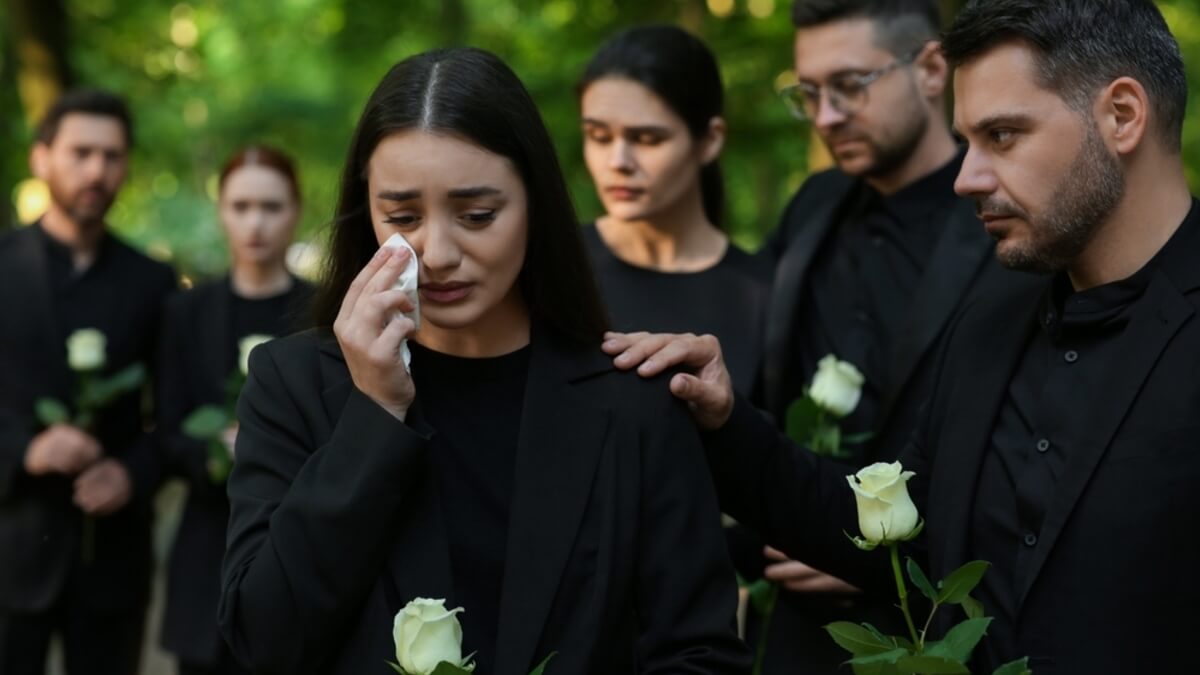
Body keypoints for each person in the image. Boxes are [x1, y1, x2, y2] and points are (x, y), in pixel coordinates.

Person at [605, 0, 1199, 671]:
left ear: (1121, 115)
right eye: (968, 141)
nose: (967, 177)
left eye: (1002, 136)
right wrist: (725, 420)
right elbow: (891, 522)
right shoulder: (990, 322)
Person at [218, 47, 749, 675]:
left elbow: (700, 652)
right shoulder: (294, 383)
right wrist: (375, 413)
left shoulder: (633, 396)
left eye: (477, 216)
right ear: (366, 210)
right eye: (402, 216)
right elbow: (261, 641)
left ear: (536, 206)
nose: (437, 251)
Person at [733, 1, 1026, 669]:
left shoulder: (1009, 223)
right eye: (807, 93)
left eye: (849, 86)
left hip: (936, 620)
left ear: (929, 68)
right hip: (793, 627)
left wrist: (874, 554)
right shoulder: (812, 207)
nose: (825, 116)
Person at [0, 89, 177, 674]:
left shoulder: (154, 284)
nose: (97, 170)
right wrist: (25, 447)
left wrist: (132, 471)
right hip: (9, 547)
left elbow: (175, 413)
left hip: (113, 561)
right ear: (42, 158)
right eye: (81, 152)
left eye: (112, 155)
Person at [158, 145, 314, 675]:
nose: (256, 223)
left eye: (271, 207)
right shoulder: (186, 312)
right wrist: (213, 452)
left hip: (299, 553)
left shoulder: (322, 311)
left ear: (295, 211)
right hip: (206, 550)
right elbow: (167, 426)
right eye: (241, 206)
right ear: (221, 209)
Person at [577, 24, 770, 398]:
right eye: (599, 137)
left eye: (647, 139)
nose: (618, 161)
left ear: (710, 140)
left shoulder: (765, 294)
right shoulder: (551, 264)